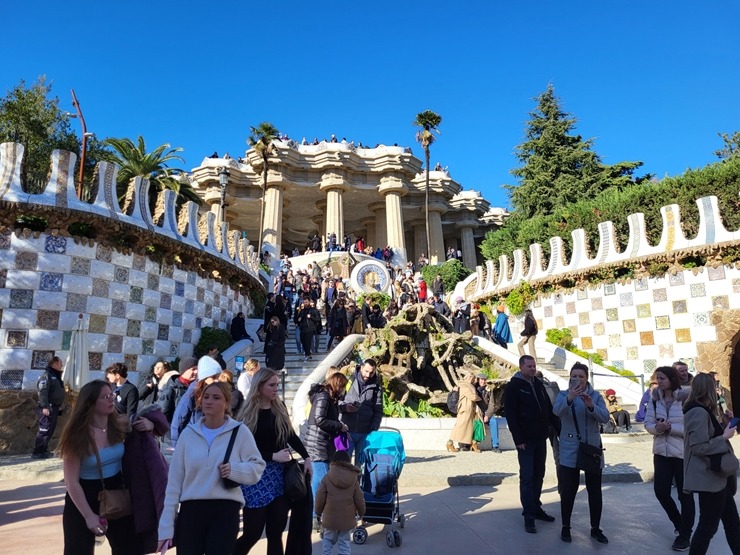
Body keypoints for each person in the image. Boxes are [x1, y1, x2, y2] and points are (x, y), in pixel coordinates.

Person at [157, 382, 265, 555]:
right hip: (191, 510)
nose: (209, 401)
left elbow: (258, 467)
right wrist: (166, 526)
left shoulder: (239, 432)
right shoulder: (188, 434)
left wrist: (235, 470)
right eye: (206, 397)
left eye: (216, 398)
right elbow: (174, 483)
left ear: (227, 403)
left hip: (225, 510)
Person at [234, 369, 313, 555]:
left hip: (280, 478)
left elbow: (290, 435)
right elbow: (242, 450)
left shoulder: (279, 407)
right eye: (272, 385)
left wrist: (306, 456)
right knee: (252, 533)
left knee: (275, 533)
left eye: (277, 384)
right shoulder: (247, 413)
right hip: (255, 478)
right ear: (259, 386)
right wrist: (272, 456)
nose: (276, 389)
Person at [60, 380, 136, 554]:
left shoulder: (119, 424)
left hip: (117, 492)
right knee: (78, 550)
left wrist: (151, 425)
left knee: (128, 548)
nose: (111, 399)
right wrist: (88, 516)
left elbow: (148, 427)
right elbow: (71, 482)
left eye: (111, 395)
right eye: (105, 397)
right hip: (84, 496)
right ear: (90, 403)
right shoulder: (77, 435)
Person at [683, 372, 740, 554]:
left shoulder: (703, 409)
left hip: (716, 478)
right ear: (708, 388)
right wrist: (724, 436)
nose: (718, 389)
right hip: (709, 478)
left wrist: (725, 424)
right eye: (715, 385)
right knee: (708, 526)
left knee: (732, 523)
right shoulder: (697, 411)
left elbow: (709, 436)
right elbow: (699, 446)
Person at [553, 362, 610, 544]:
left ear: (587, 379)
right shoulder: (563, 394)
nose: (577, 379)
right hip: (570, 447)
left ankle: (595, 528)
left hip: (592, 448)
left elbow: (605, 418)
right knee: (569, 490)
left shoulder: (595, 396)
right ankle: (566, 527)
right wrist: (569, 398)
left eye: (581, 376)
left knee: (594, 491)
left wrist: (591, 406)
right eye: (574, 376)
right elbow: (557, 412)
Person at [503, 355, 556, 534]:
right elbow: (510, 414)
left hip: (541, 437)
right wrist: (518, 439)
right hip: (525, 440)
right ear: (521, 367)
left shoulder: (539, 384)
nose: (533, 369)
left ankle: (536, 507)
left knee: (539, 474)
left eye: (534, 366)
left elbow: (548, 409)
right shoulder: (514, 387)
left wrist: (558, 429)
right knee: (526, 476)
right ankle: (529, 515)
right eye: (529, 366)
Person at [644, 366, 694, 552]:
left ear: (672, 379)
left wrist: (669, 429)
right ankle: (679, 524)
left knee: (685, 495)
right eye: (657, 378)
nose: (659, 381)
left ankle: (685, 535)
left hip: (681, 454)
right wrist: (657, 429)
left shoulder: (686, 399)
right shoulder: (655, 399)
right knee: (661, 491)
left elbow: (692, 429)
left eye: (662, 378)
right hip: (660, 453)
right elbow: (648, 423)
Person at [122, 403, 169, 553]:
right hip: (105, 490)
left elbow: (158, 475)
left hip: (130, 493)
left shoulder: (141, 435)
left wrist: (151, 424)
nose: (110, 399)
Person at [306, 372, 350, 530]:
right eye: (343, 386)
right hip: (318, 443)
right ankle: (314, 516)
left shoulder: (326, 397)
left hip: (321, 442)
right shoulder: (324, 397)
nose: (343, 390)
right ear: (337, 384)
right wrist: (339, 426)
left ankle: (316, 515)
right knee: (321, 481)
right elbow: (319, 419)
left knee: (320, 481)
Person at [315, 450, 366, 555]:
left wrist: (318, 512)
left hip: (330, 517)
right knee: (344, 542)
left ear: (333, 461)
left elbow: (320, 496)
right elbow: (359, 498)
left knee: (328, 539)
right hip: (347, 518)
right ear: (348, 461)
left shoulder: (327, 477)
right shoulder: (353, 479)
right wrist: (362, 512)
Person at [339, 359, 383, 465]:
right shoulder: (348, 381)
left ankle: (358, 482)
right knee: (342, 465)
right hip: (346, 430)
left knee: (360, 467)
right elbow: (336, 402)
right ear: (361, 368)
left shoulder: (377, 386)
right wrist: (345, 408)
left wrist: (373, 428)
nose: (368, 375)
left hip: (365, 433)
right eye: (366, 371)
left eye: (371, 372)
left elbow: (378, 410)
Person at [32, 355, 65, 459]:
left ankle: (43, 450)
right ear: (55, 364)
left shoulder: (54, 375)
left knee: (50, 429)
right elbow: (43, 391)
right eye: (60, 364)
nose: (62, 365)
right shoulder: (46, 375)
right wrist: (45, 406)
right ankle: (38, 452)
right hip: (47, 407)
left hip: (53, 407)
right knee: (44, 429)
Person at [447, 371, 482, 452]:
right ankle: (450, 443)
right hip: (465, 409)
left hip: (469, 410)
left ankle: (473, 444)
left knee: (471, 427)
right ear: (467, 377)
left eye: (473, 379)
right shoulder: (464, 386)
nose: (472, 380)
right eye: (471, 378)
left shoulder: (467, 385)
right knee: (459, 427)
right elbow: (472, 397)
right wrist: (480, 399)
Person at [157, 357, 197, 424]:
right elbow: (162, 415)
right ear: (184, 370)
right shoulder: (171, 389)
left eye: (198, 369)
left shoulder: (196, 387)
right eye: (193, 369)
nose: (196, 372)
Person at [295, 296, 321, 362]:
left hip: (310, 328)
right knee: (302, 341)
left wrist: (311, 317)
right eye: (304, 302)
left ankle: (307, 355)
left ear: (309, 302)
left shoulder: (313, 310)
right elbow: (298, 318)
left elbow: (318, 319)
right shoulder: (302, 311)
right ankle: (308, 354)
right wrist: (299, 320)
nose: (305, 303)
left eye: (306, 302)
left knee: (307, 342)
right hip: (302, 328)